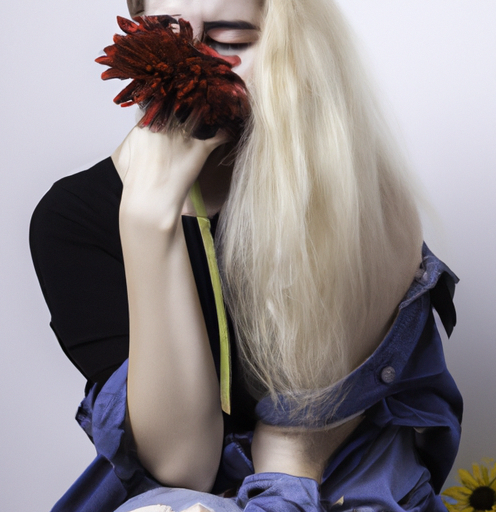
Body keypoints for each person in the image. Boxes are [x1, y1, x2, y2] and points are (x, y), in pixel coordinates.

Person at [29, 0, 463, 511]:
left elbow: (294, 451)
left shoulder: (358, 193)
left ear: (296, 50)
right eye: (164, 33)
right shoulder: (72, 218)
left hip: (347, 481)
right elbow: (184, 468)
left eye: (229, 40)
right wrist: (149, 221)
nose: (189, 62)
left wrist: (286, 467)